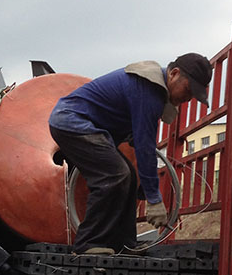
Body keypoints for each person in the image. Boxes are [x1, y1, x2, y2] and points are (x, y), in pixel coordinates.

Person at [48, 53, 212, 254]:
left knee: (129, 177)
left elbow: (136, 135)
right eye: (188, 89)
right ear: (174, 74)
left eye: (193, 95)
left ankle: (124, 244)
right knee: (114, 176)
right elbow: (145, 148)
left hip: (84, 125)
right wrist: (154, 199)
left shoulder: (152, 90)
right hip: (71, 121)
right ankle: (87, 244)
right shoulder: (149, 91)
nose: (188, 98)